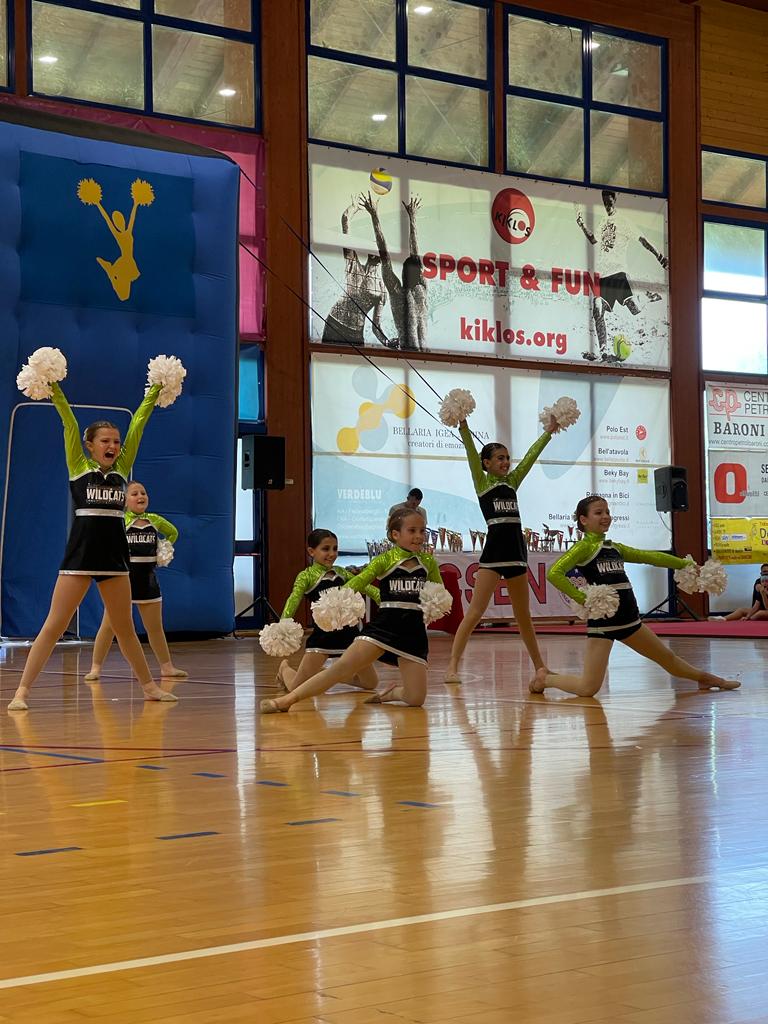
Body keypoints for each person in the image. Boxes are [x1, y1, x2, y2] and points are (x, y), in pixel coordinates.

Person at [8, 379, 178, 710]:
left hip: (114, 560)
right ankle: (22, 692)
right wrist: (54, 387)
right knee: (54, 625)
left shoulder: (123, 471)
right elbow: (68, 422)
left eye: (116, 441)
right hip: (80, 558)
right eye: (105, 441)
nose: (112, 445)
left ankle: (149, 687)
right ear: (89, 445)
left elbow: (138, 425)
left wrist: (155, 391)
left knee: (124, 629)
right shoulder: (78, 467)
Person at [531, 495, 740, 697]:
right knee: (588, 688)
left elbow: (649, 557)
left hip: (630, 620)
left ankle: (707, 679)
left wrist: (685, 564)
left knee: (668, 659)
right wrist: (582, 598)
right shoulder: (583, 548)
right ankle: (545, 678)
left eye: (607, 512)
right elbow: (554, 573)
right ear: (583, 520)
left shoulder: (615, 548)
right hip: (604, 624)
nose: (606, 516)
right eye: (598, 513)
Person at [260, 509, 440, 712]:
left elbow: (438, 593)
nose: (419, 536)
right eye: (412, 530)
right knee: (339, 669)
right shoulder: (384, 560)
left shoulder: (428, 563)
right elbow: (360, 582)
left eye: (422, 530)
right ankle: (285, 701)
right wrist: (334, 601)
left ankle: (391, 694)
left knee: (415, 698)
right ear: (395, 534)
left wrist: (435, 606)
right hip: (383, 628)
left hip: (413, 632)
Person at [444, 413, 561, 686]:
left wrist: (548, 433)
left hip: (516, 551)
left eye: (507, 458)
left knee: (523, 616)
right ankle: (452, 666)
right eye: (500, 458)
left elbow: (530, 457)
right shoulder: (483, 483)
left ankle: (540, 667)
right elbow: (470, 452)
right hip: (495, 551)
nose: (506, 462)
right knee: (475, 612)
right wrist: (463, 426)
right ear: (486, 463)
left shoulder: (513, 481)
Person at [85, 481, 187, 681]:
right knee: (108, 626)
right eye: (134, 493)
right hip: (123, 582)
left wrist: (164, 547)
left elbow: (173, 532)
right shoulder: (120, 521)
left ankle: (167, 667)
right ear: (124, 500)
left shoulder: (154, 520)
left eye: (143, 493)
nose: (140, 496)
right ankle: (95, 667)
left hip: (148, 581)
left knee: (155, 628)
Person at [274, 528, 382, 696]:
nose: (332, 554)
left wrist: (382, 599)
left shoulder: (341, 572)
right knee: (296, 688)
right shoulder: (306, 576)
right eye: (326, 549)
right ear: (311, 551)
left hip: (350, 636)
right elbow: (293, 599)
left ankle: (327, 675)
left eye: (335, 548)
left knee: (370, 683)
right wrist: (283, 623)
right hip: (323, 638)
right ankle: (285, 669)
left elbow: (365, 586)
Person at [576, 190, 668, 363]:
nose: (607, 206)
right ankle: (603, 352)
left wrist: (660, 256)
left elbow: (643, 240)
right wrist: (582, 225)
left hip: (619, 273)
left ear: (615, 199)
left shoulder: (624, 222)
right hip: (604, 277)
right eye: (604, 202)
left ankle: (648, 298)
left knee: (634, 309)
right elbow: (594, 239)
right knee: (597, 309)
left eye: (609, 202)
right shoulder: (603, 221)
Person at [359, 192, 427, 352]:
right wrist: (374, 216)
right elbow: (384, 253)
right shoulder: (398, 292)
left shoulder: (421, 288)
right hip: (409, 355)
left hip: (425, 357)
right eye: (417, 272)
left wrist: (413, 218)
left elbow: (415, 252)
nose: (419, 274)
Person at [322, 197, 388, 347]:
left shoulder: (381, 289)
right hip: (334, 323)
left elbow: (376, 326)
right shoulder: (353, 264)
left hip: (355, 333)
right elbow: (345, 220)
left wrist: (387, 342)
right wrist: (353, 207)